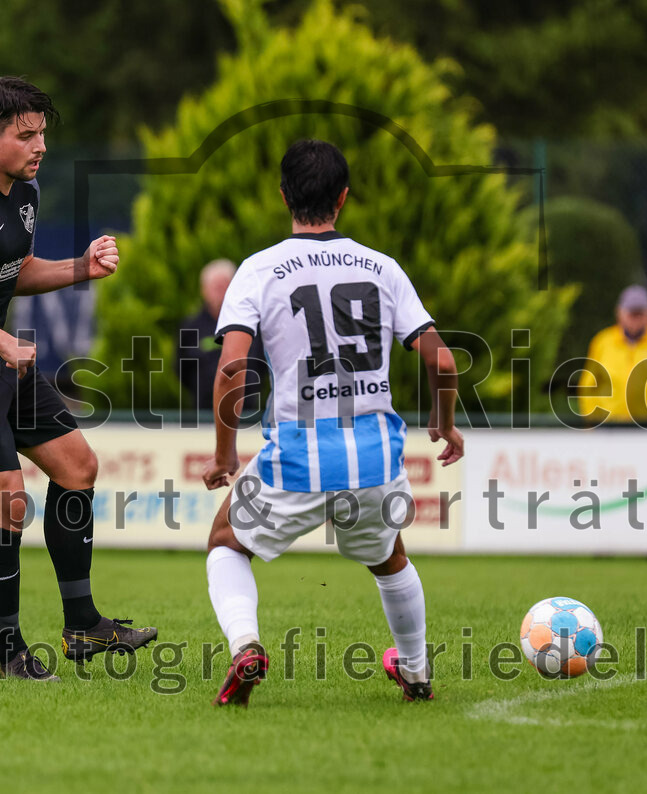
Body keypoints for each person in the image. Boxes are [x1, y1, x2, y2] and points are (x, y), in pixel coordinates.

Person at [0, 77, 156, 681]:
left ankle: (83, 626)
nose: (39, 145)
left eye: (42, 132)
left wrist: (80, 269)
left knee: (78, 468)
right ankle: (12, 654)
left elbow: (11, 271)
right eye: (25, 135)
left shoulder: (25, 188)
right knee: (10, 502)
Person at [201, 139, 463, 706]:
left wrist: (225, 454)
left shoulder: (258, 270)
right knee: (389, 554)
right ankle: (416, 673)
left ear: (283, 196)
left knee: (225, 541)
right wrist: (443, 423)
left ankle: (247, 646)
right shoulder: (382, 268)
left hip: (296, 457)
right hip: (374, 457)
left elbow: (230, 371)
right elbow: (442, 360)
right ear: (343, 198)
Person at [578, 285, 647, 426]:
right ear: (619, 313)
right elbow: (588, 385)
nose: (635, 318)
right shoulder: (602, 342)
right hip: (608, 429)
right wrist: (594, 420)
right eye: (631, 313)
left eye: (640, 313)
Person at [176, 259, 266, 413]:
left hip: (246, 412)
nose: (221, 292)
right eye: (216, 287)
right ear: (204, 290)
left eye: (225, 286)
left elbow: (261, 363)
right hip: (203, 413)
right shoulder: (191, 326)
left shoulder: (251, 325)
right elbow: (180, 368)